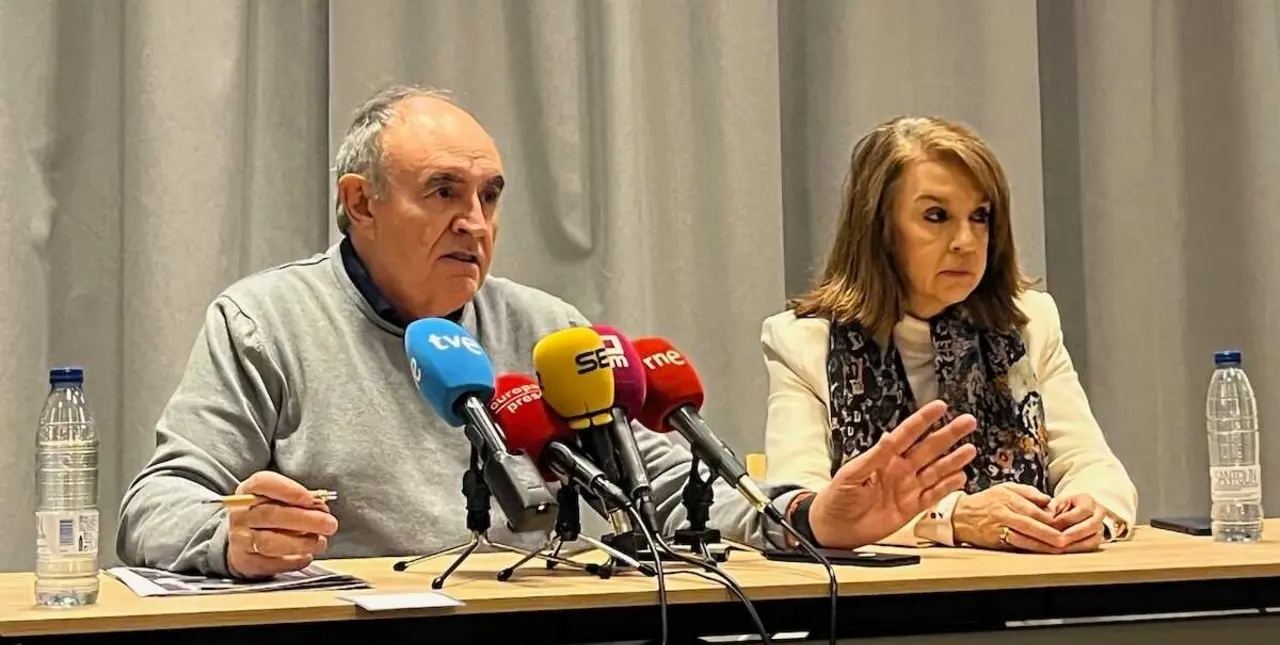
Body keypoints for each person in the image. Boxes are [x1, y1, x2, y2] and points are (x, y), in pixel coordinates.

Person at [116, 86, 974, 578]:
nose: (475, 222)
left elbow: (662, 488)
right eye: (443, 193)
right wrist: (231, 538)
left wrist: (811, 517)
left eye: (489, 197)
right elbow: (156, 506)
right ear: (360, 203)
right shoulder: (264, 322)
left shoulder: (546, 332)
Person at [761, 116, 1138, 553]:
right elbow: (799, 510)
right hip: (882, 591)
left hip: (1031, 582)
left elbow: (1093, 466)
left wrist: (1089, 511)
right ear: (880, 229)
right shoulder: (803, 343)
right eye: (936, 216)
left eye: (980, 217)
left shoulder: (1030, 323)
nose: (966, 241)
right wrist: (950, 518)